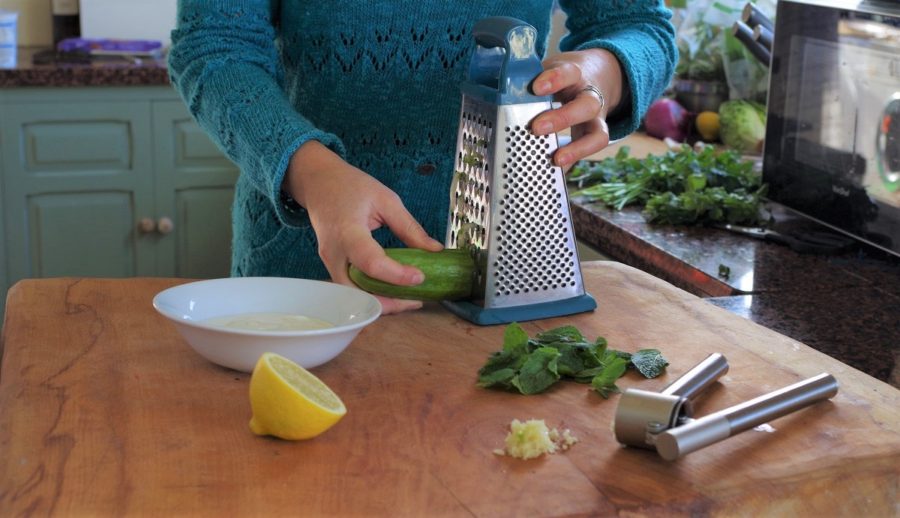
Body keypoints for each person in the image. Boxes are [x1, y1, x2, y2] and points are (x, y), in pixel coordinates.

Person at [168, 1, 677, 314]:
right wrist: (315, 174)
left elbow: (637, 24)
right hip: (306, 273)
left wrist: (598, 73)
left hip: (511, 270)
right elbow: (215, 47)